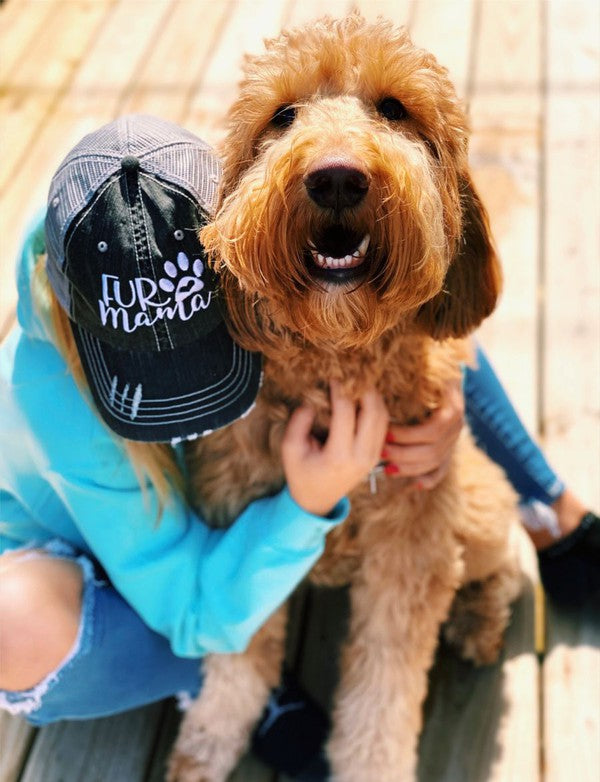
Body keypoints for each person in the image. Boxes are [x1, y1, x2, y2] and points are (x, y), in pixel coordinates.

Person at [1, 114, 597, 781]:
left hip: (237, 519)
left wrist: (448, 415)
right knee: (29, 619)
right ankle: (237, 691)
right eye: (155, 377)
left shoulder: (178, 185)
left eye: (210, 340)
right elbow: (192, 602)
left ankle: (548, 509)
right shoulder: (62, 418)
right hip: (124, 556)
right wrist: (308, 503)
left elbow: (411, 301)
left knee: (466, 528)